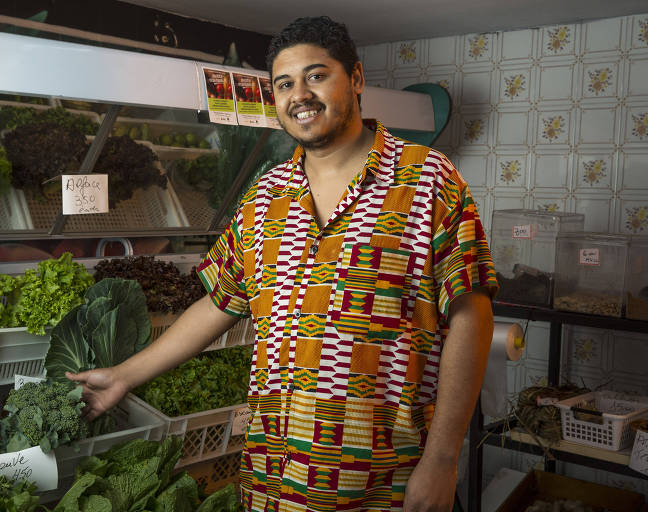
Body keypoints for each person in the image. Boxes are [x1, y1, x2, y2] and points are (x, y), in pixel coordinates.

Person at [67, 15, 497, 512]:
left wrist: (442, 460)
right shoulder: (265, 196)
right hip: (275, 478)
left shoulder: (428, 179)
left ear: (355, 79)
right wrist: (124, 376)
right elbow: (218, 304)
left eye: (317, 75)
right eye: (284, 84)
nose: (300, 95)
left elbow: (471, 317)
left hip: (383, 479)